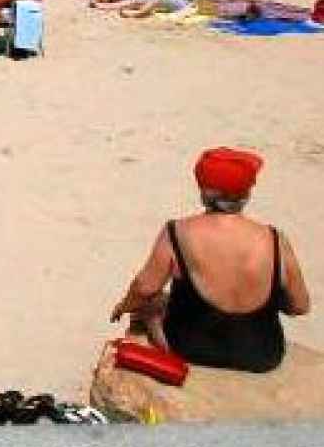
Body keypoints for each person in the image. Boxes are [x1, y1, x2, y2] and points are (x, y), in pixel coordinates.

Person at [112, 148, 310, 373]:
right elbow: (300, 306)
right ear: (246, 195)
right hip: (262, 354)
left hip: (190, 348)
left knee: (151, 306)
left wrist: (124, 306)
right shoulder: (275, 240)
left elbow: (144, 287)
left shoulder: (177, 232)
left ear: (204, 191)